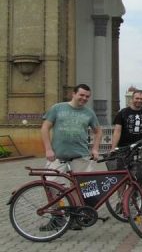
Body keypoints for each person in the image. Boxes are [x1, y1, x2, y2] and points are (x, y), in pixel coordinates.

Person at [40, 83, 103, 231]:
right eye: (81, 95)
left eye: (87, 96)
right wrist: (48, 149)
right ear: (73, 94)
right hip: (58, 155)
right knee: (51, 184)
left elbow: (98, 131)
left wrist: (95, 149)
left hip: (80, 155)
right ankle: (58, 217)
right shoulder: (58, 108)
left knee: (78, 188)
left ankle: (75, 218)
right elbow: (45, 127)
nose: (84, 98)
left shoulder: (89, 113)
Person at [111, 89, 142, 189]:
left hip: (141, 144)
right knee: (122, 176)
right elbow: (117, 131)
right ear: (131, 99)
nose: (139, 100)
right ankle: (121, 200)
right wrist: (113, 148)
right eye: (137, 98)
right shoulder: (123, 113)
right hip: (125, 145)